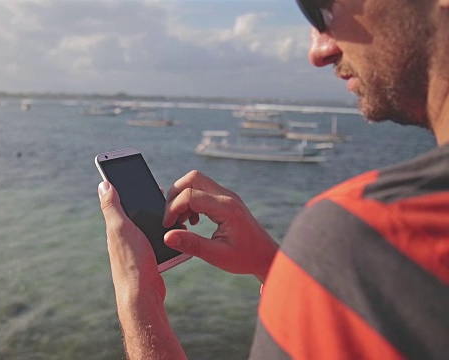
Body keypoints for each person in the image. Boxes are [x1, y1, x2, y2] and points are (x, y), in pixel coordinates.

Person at [97, 0, 449, 358]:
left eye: (323, 8)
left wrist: (138, 296)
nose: (319, 51)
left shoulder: (362, 235)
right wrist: (276, 266)